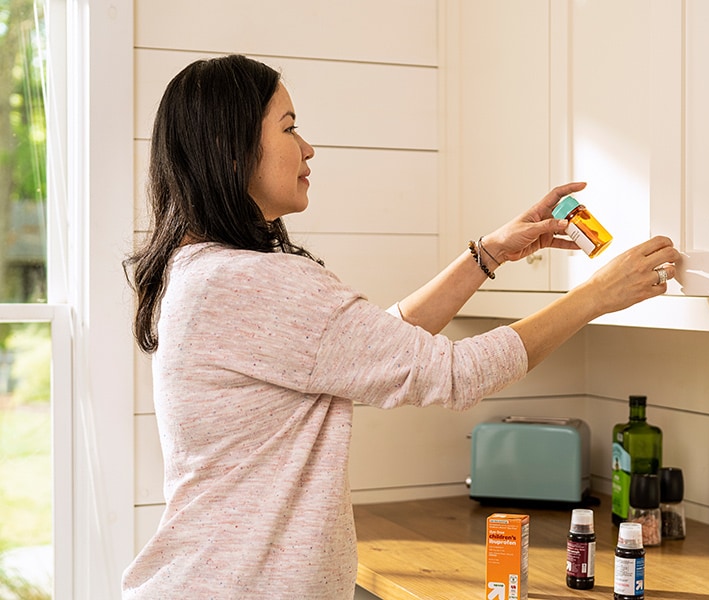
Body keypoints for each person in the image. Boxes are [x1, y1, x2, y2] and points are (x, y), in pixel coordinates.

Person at [121, 54, 680, 599]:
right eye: (290, 128)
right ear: (230, 147)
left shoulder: (203, 271)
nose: (308, 148)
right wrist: (592, 297)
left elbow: (376, 347)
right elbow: (454, 373)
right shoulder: (250, 281)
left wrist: (486, 255)